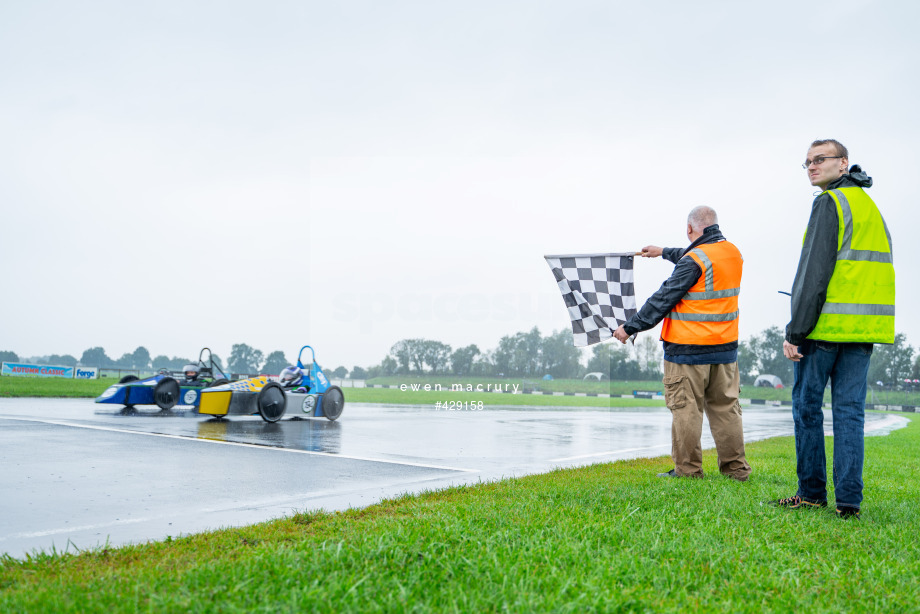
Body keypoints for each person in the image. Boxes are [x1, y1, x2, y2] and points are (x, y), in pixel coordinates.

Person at [772, 139, 895, 520]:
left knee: (807, 409)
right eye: (807, 162)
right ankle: (849, 503)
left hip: (824, 329)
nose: (811, 166)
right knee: (849, 414)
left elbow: (814, 273)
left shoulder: (829, 203)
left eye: (819, 159)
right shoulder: (868, 206)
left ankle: (810, 494)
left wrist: (796, 331)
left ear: (843, 163)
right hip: (862, 331)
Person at [613, 206, 752, 481]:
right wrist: (663, 251)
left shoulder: (694, 260)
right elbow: (695, 257)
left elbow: (664, 297)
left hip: (687, 351)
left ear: (690, 229)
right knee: (727, 410)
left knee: (686, 411)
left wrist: (630, 327)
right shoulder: (732, 252)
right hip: (725, 350)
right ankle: (736, 470)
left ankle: (687, 471)